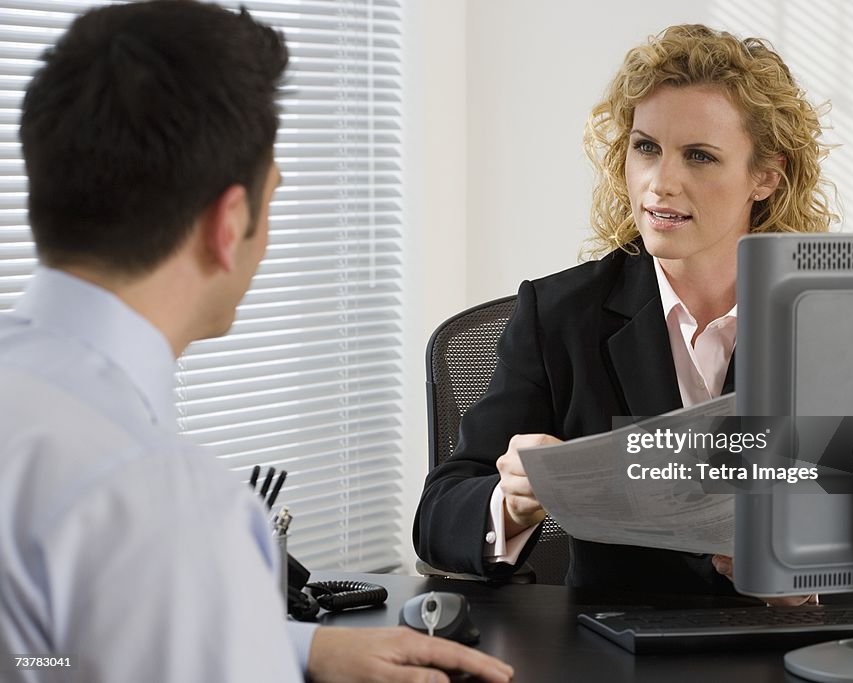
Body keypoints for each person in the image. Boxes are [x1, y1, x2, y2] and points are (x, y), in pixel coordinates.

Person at [0, 2, 514, 682]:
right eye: (271, 198)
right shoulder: (163, 505)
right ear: (229, 221)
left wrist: (297, 647)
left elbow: (49, 656)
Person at [414, 24, 834, 599]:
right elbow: (439, 515)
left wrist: (810, 578)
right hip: (616, 649)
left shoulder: (831, 321)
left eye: (700, 156)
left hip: (790, 645)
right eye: (646, 147)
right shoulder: (561, 315)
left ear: (764, 176)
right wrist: (508, 503)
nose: (661, 183)